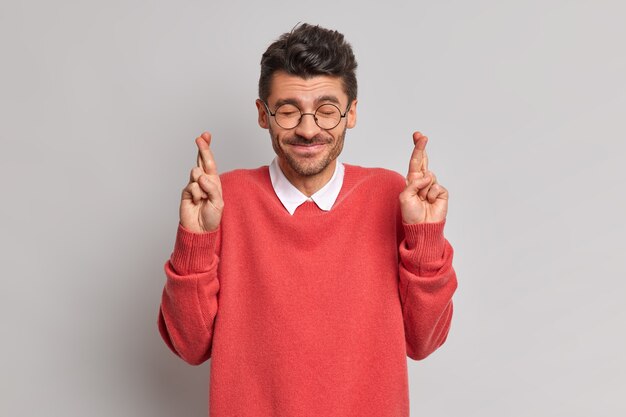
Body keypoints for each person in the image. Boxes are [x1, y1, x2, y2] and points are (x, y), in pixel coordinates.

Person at [158, 23, 457, 417]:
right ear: (263, 115)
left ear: (351, 113)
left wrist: (425, 236)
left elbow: (423, 341)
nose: (308, 128)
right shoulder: (222, 200)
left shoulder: (392, 196)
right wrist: (195, 241)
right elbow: (189, 346)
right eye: (287, 110)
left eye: (327, 110)